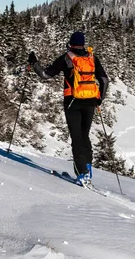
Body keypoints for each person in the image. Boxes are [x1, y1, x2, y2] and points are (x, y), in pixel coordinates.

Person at [27, 31, 109, 185]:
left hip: (72, 103)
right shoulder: (92, 58)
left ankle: (82, 175)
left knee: (76, 138)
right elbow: (104, 80)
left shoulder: (67, 58)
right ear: (83, 43)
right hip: (90, 103)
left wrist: (34, 63)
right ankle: (88, 170)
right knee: (85, 136)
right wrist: (99, 100)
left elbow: (45, 75)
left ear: (71, 43)